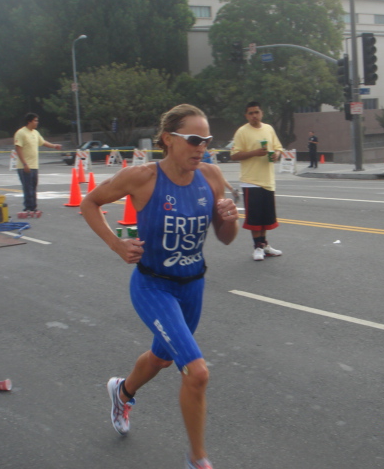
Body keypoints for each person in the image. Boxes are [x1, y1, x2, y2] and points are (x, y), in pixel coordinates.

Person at [80, 104, 238, 469]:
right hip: (153, 287)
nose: (202, 148)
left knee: (162, 359)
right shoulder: (142, 177)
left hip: (193, 287)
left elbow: (226, 237)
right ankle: (197, 459)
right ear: (168, 139)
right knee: (196, 373)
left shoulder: (211, 176)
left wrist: (230, 219)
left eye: (207, 140)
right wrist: (116, 244)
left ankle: (122, 392)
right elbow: (90, 203)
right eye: (194, 139)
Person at [230, 101, 284, 261]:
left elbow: (278, 148)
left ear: (262, 113)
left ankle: (264, 245)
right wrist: (254, 153)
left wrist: (276, 155)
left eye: (257, 112)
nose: (254, 115)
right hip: (250, 181)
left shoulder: (269, 129)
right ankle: (257, 247)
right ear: (246, 115)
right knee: (255, 217)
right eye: (251, 113)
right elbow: (234, 155)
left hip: (268, 180)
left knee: (266, 217)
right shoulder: (242, 132)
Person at [13, 113, 61, 215]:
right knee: (28, 188)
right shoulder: (21, 133)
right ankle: (28, 208)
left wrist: (54, 146)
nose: (37, 122)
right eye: (35, 120)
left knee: (33, 187)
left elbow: (43, 142)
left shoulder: (35, 133)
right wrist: (25, 164)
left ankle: (33, 208)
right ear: (29, 121)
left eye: (37, 120)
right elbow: (18, 148)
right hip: (25, 166)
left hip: (34, 166)